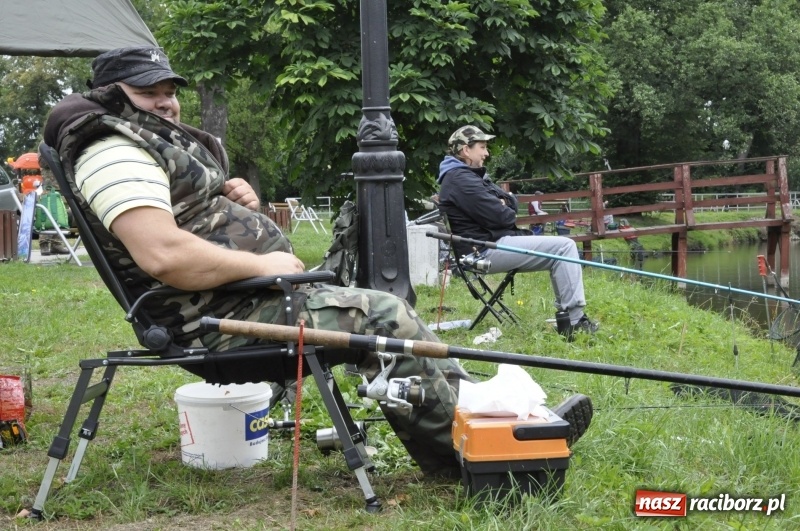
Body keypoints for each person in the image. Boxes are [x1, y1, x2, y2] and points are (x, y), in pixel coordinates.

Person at [42, 48, 591, 475]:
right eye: (148, 92)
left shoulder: (145, 142)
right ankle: (471, 459)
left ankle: (487, 416)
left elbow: (189, 220)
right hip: (210, 323)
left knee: (391, 311)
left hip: (242, 300)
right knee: (381, 316)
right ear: (111, 95)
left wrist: (238, 206)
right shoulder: (112, 151)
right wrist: (264, 266)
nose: (166, 103)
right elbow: (162, 254)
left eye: (170, 91)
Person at [437, 125, 599, 339]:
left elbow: (510, 202)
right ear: (466, 150)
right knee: (564, 247)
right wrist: (503, 205)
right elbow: (503, 216)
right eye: (482, 147)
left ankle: (567, 318)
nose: (487, 153)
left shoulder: (468, 176)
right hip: (483, 251)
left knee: (560, 249)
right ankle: (575, 321)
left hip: (492, 243)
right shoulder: (460, 180)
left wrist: (505, 203)